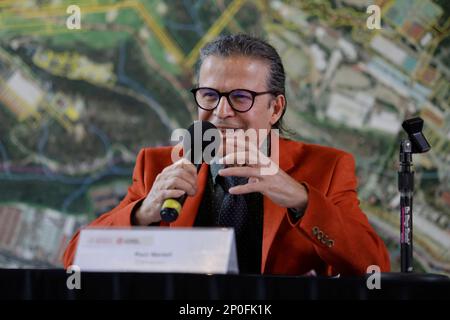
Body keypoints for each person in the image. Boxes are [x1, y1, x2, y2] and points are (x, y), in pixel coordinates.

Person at [63, 34, 390, 275]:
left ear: (275, 108)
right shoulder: (157, 165)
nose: (221, 112)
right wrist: (141, 213)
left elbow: (373, 267)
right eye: (209, 95)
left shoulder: (326, 168)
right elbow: (74, 262)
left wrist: (300, 198)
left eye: (240, 97)